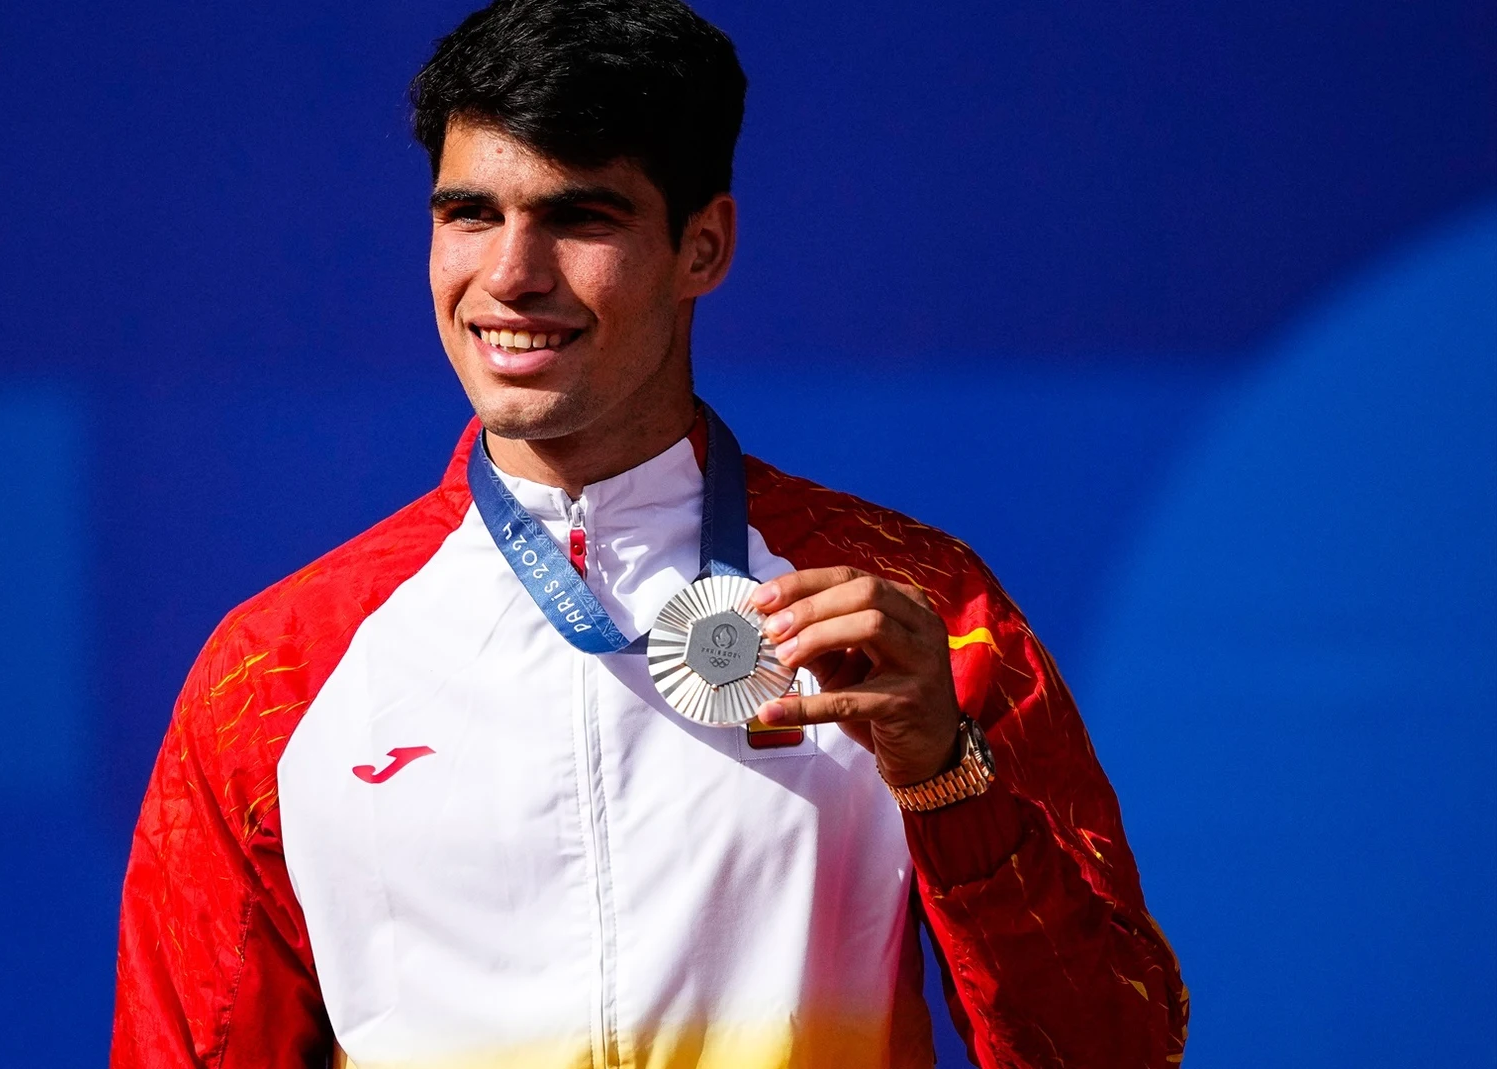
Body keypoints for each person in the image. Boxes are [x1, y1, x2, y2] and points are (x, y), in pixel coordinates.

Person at [112, 1, 1187, 1065]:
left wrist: (947, 779)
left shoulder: (919, 612)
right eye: (470, 213)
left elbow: (1119, 1049)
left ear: (702, 246)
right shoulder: (276, 670)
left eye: (580, 217)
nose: (511, 274)